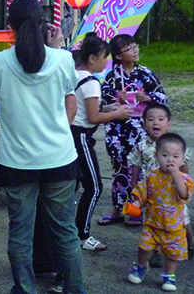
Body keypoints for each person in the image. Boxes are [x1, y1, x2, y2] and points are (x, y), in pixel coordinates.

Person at [0, 0, 86, 294]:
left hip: (17, 161)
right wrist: (57, 50)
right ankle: (75, 289)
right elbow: (68, 90)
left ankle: (26, 289)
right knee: (65, 232)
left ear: (9, 27)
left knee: (20, 232)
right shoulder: (64, 58)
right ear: (45, 25)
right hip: (59, 158)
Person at [99, 34, 167, 226]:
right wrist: (116, 102)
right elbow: (102, 105)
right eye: (129, 49)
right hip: (118, 130)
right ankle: (118, 208)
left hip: (140, 129)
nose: (135, 50)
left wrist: (147, 97)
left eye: (135, 46)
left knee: (140, 169)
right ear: (119, 56)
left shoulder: (145, 73)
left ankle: (136, 208)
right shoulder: (112, 77)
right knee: (120, 168)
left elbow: (162, 97)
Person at [72, 33, 131, 252]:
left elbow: (87, 109)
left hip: (69, 134)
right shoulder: (92, 82)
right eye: (105, 57)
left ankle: (71, 231)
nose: (107, 62)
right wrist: (120, 112)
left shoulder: (73, 74)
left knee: (74, 186)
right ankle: (82, 235)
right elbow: (93, 118)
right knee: (94, 187)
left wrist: (107, 108)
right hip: (81, 137)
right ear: (92, 57)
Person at [127, 103, 194, 266]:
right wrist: (135, 185)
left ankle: (190, 242)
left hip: (173, 195)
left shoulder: (176, 146)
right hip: (153, 194)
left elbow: (185, 168)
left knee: (183, 221)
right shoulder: (142, 146)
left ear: (168, 123)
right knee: (153, 223)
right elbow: (135, 165)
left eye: (160, 119)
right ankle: (156, 251)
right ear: (144, 123)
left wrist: (182, 180)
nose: (155, 123)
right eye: (150, 119)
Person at [127, 133, 194, 292]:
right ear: (156, 156)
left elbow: (184, 194)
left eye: (175, 156)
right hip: (152, 223)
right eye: (165, 155)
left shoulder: (184, 179)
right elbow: (143, 192)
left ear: (183, 159)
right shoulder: (152, 176)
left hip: (173, 227)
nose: (170, 159)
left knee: (171, 254)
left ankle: (169, 276)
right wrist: (136, 203)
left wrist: (176, 174)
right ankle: (142, 266)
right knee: (144, 247)